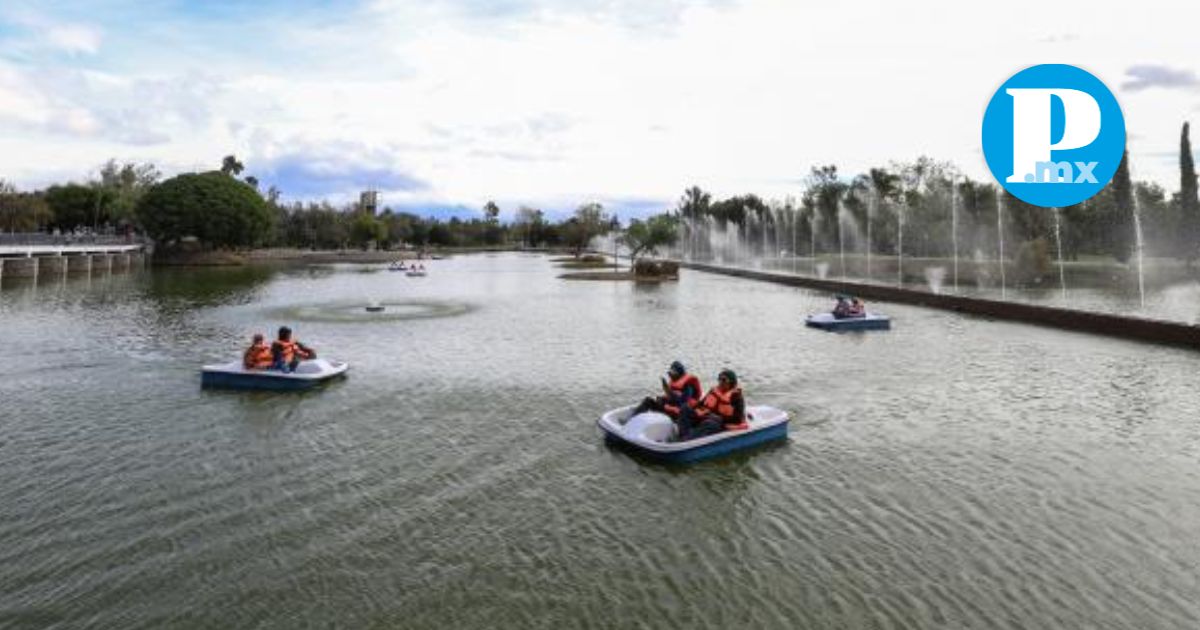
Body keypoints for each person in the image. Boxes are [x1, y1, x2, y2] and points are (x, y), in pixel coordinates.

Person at [675, 369, 746, 441]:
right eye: (719, 379)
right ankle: (683, 435)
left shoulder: (736, 397)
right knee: (685, 408)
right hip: (705, 416)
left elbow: (737, 418)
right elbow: (701, 404)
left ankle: (687, 439)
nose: (720, 382)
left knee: (711, 423)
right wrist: (693, 409)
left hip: (719, 423)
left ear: (731, 382)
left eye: (724, 380)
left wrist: (719, 418)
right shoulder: (713, 391)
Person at [630, 361, 702, 419]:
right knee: (648, 400)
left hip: (678, 413)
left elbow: (683, 402)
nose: (671, 374)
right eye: (671, 371)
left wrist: (670, 394)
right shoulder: (674, 382)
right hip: (668, 408)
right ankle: (632, 418)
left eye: (674, 372)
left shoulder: (688, 386)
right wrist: (663, 399)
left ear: (679, 373)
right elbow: (670, 397)